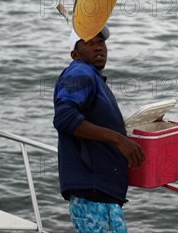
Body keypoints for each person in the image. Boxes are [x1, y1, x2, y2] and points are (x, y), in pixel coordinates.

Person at [53, 26, 145, 233]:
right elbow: (64, 117)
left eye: (101, 42)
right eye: (89, 43)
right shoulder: (79, 71)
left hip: (102, 191)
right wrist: (118, 139)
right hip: (92, 191)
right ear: (74, 54)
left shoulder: (93, 78)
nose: (98, 48)